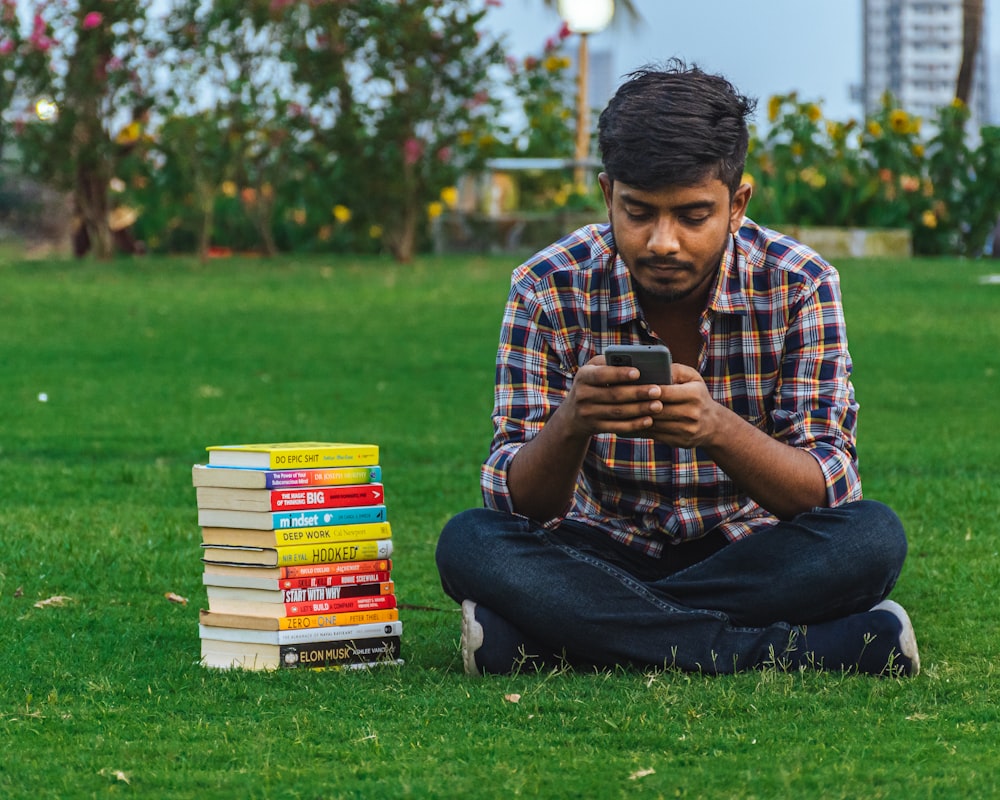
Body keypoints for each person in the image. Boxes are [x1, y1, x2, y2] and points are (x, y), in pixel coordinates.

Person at [435, 60, 919, 678]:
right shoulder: (547, 284)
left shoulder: (799, 282)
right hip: (601, 547)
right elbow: (518, 504)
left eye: (692, 216)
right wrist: (573, 423)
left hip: (748, 550)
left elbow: (826, 488)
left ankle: (559, 641)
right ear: (609, 195)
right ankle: (795, 650)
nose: (663, 241)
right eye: (638, 213)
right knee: (470, 543)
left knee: (871, 538)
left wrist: (717, 428)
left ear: (736, 203)